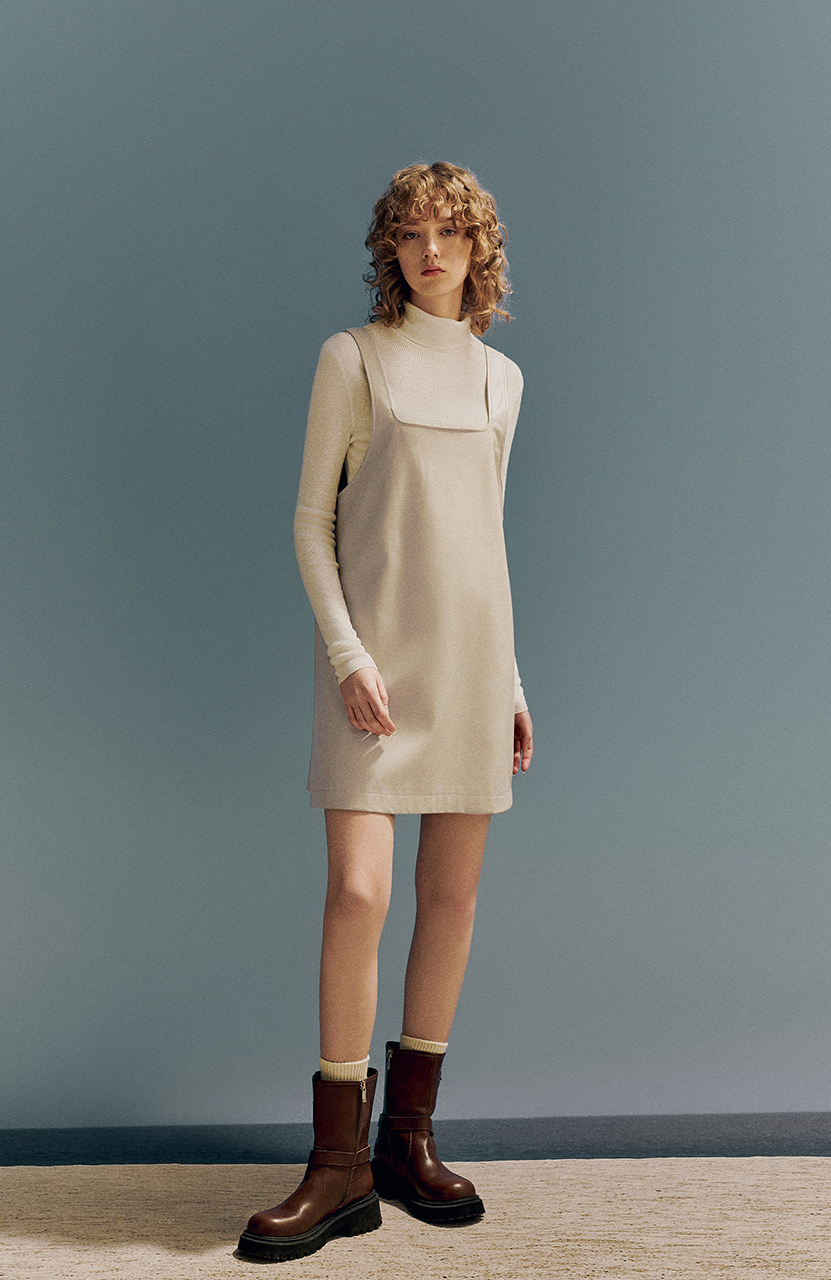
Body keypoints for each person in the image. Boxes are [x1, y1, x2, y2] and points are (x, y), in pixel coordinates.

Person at [236, 162, 533, 1263]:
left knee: (449, 898)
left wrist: (512, 680)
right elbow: (310, 522)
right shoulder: (351, 358)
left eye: (449, 231)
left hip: (472, 668)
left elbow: (485, 539)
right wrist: (350, 654)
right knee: (359, 892)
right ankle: (338, 1164)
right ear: (389, 251)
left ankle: (407, 1140)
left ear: (478, 247)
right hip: (372, 669)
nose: (429, 250)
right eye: (409, 233)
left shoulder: (503, 380)